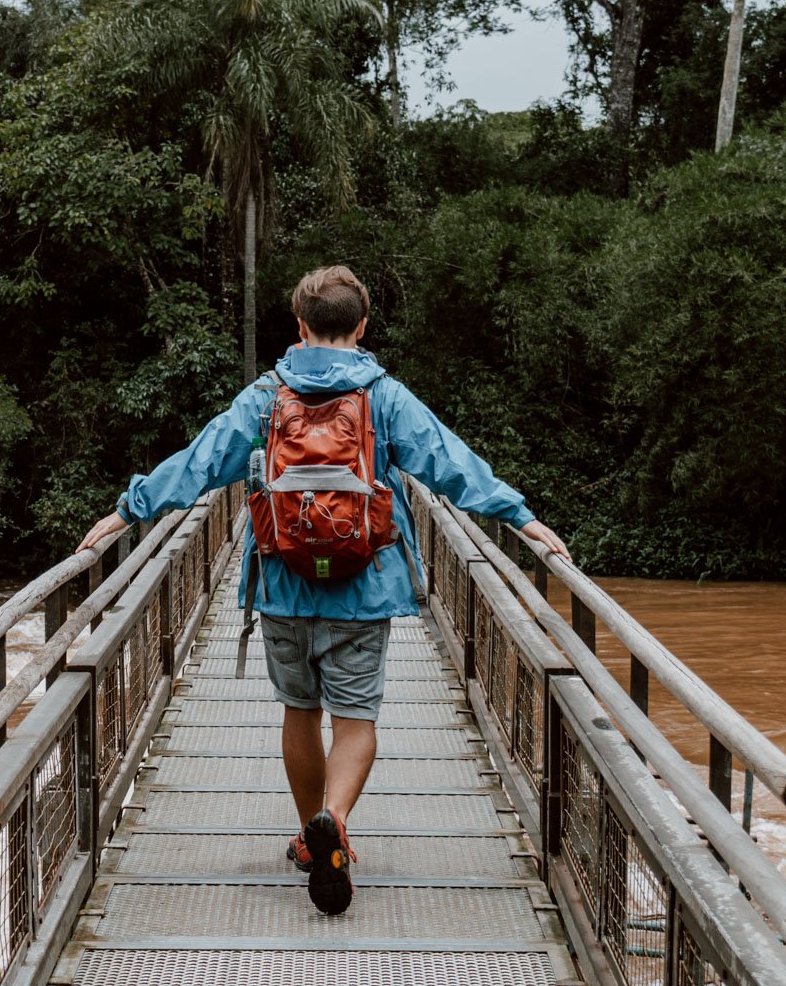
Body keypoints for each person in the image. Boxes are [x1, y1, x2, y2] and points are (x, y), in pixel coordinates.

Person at [78, 265, 569, 915]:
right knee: (357, 720)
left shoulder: (266, 396)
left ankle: (313, 830)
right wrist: (521, 517)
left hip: (282, 582)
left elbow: (200, 461)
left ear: (300, 326)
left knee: (299, 713)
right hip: (365, 584)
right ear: (361, 326)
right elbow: (448, 461)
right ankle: (334, 821)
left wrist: (127, 509)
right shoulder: (384, 395)